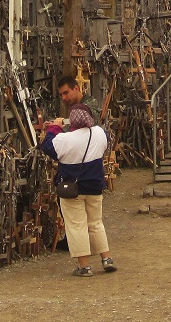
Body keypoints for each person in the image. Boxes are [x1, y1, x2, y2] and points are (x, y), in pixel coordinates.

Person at [41, 100, 116, 277]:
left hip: (72, 189)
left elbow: (47, 146)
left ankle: (84, 266)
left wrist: (55, 127)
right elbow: (106, 143)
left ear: (72, 121)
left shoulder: (64, 139)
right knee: (96, 223)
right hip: (95, 186)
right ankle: (106, 259)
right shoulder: (99, 133)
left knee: (77, 226)